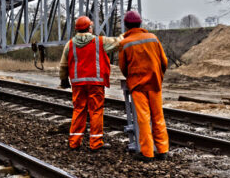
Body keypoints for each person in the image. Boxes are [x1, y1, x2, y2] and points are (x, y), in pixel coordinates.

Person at [59, 16, 122, 151]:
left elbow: (63, 65)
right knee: (96, 111)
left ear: (77, 29)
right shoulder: (100, 41)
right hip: (95, 83)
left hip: (78, 84)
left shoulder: (69, 44)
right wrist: (127, 34)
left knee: (79, 110)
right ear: (89, 28)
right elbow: (118, 43)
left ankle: (74, 142)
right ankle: (95, 142)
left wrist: (63, 80)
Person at [119, 10, 169, 162]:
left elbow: (123, 67)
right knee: (158, 116)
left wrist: (131, 77)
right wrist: (158, 75)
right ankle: (163, 150)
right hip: (154, 83)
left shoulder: (125, 43)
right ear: (140, 23)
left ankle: (147, 153)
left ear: (126, 26)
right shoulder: (153, 38)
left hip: (137, 85)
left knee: (143, 118)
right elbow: (164, 61)